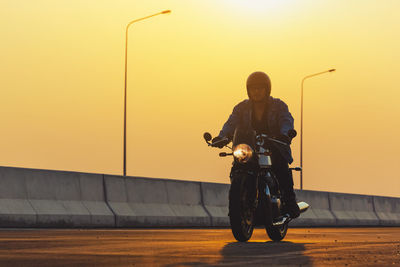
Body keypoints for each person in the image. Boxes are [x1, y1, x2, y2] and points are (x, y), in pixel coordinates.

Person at [211, 71, 300, 218]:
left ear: (267, 89)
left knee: (281, 167)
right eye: (253, 88)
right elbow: (231, 123)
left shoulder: (278, 106)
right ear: (248, 90)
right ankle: (239, 202)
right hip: (249, 146)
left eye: (260, 88)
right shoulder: (241, 108)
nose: (256, 92)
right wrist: (222, 137)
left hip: (274, 145)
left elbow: (286, 120)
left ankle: (290, 202)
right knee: (237, 167)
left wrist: (285, 134)